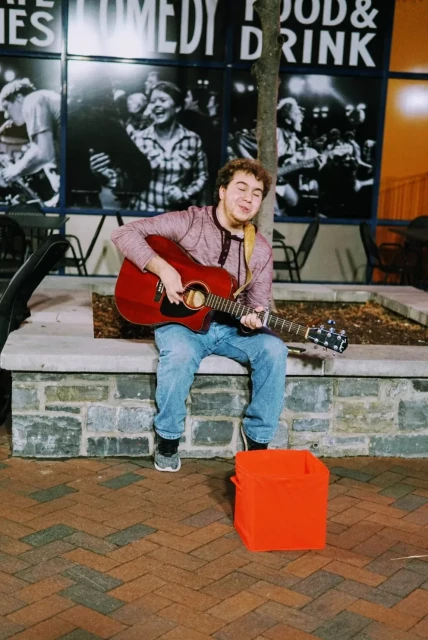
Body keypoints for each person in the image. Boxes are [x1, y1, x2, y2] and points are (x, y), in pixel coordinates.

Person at [111, 158, 288, 472]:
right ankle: (168, 438)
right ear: (222, 191)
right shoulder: (191, 221)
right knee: (178, 354)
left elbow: (258, 304)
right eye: (241, 188)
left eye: (257, 193)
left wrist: (253, 319)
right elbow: (125, 234)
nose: (248, 198)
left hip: (229, 328)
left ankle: (258, 440)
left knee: (274, 349)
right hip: (181, 322)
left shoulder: (258, 249)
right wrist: (163, 270)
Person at [133, 81, 209, 211]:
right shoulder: (139, 139)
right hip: (143, 215)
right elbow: (126, 180)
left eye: (162, 100)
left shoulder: (192, 140)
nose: (156, 104)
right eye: (153, 101)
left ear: (177, 107)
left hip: (177, 219)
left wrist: (185, 194)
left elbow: (202, 176)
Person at [0, 78, 60, 204]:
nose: (6, 115)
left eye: (6, 108)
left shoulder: (32, 99)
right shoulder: (46, 100)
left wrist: (14, 171)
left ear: (19, 98)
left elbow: (42, 153)